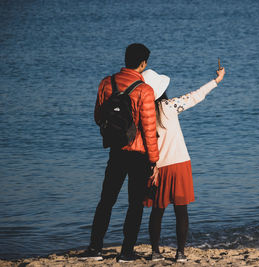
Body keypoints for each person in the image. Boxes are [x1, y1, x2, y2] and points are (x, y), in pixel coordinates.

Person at [80, 43, 159, 262]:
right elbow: (149, 129)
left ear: (126, 59)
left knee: (106, 200)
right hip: (139, 154)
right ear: (143, 64)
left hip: (116, 151)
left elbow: (98, 117)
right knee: (135, 204)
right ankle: (126, 252)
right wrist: (154, 160)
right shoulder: (144, 90)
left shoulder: (107, 83)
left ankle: (95, 248)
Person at [142, 65, 226, 262]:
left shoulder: (141, 113)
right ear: (162, 90)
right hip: (179, 164)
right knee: (181, 211)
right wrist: (217, 80)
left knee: (157, 211)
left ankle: (155, 252)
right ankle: (180, 253)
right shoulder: (170, 106)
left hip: (157, 167)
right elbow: (196, 96)